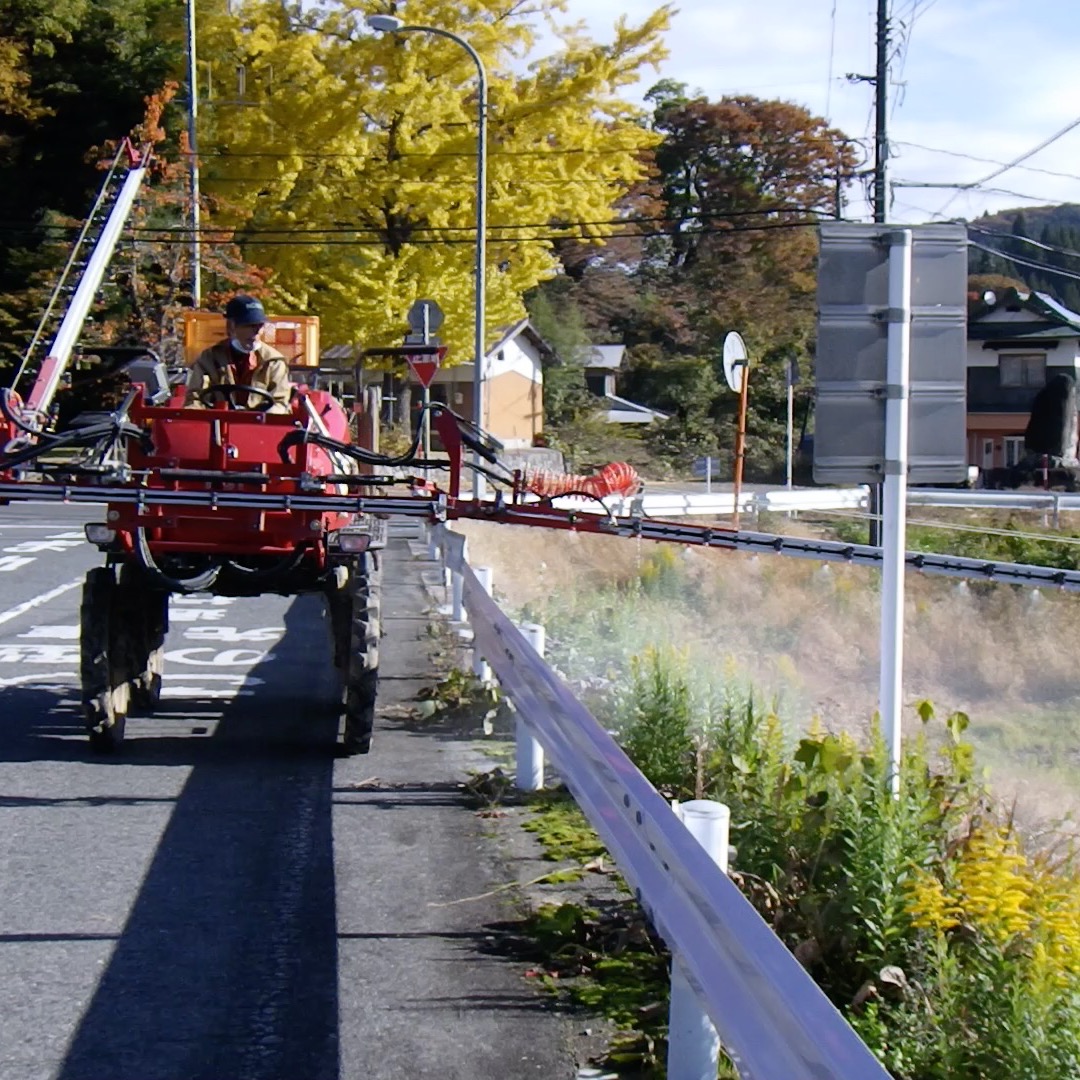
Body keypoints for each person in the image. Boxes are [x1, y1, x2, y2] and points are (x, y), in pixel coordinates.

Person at [184, 294, 292, 414]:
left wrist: (266, 417)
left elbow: (280, 403)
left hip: (259, 426)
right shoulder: (210, 358)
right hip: (218, 424)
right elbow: (195, 398)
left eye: (260, 325)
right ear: (231, 326)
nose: (256, 331)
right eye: (248, 325)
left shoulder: (274, 361)